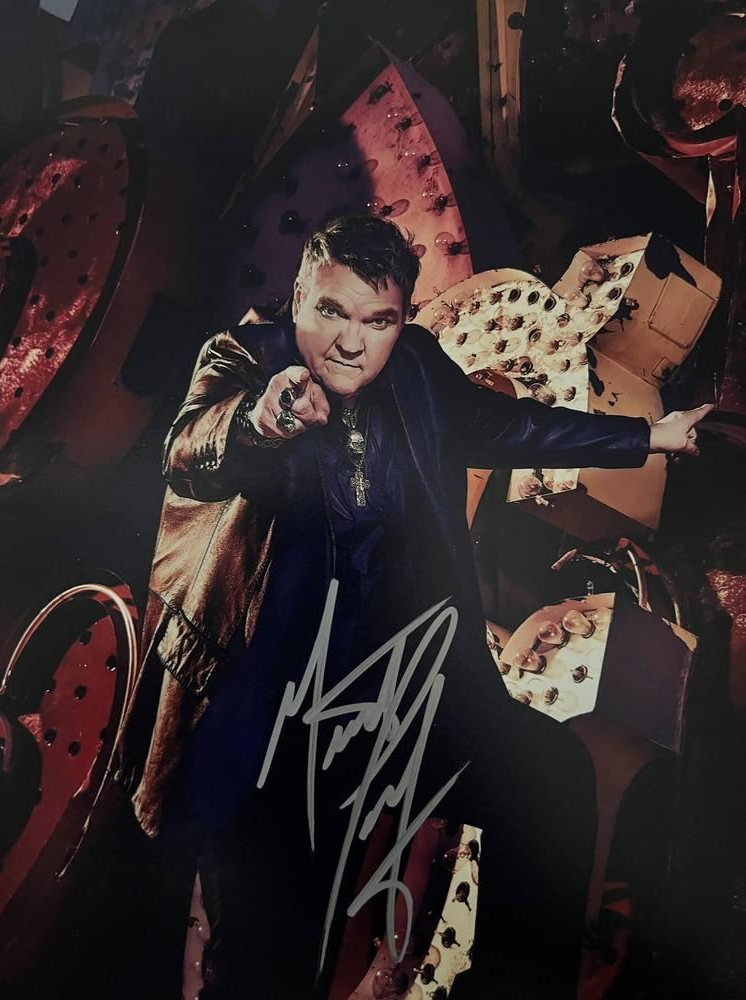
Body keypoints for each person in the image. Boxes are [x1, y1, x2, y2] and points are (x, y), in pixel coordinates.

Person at [117, 215, 711, 1000]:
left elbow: (507, 425)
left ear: (401, 321)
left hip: (406, 699)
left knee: (548, 781)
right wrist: (261, 419)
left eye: (378, 321)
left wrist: (647, 437)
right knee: (275, 959)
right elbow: (189, 451)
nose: (350, 343)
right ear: (298, 296)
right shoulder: (244, 358)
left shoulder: (416, 370)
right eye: (331, 311)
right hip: (277, 724)